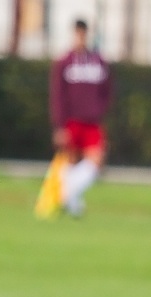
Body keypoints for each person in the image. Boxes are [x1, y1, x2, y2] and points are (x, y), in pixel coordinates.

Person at [49, 18, 111, 218]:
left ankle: (67, 194)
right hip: (72, 121)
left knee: (96, 161)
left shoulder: (99, 62)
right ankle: (73, 205)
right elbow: (57, 95)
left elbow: (107, 91)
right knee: (71, 162)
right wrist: (59, 125)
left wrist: (100, 110)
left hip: (92, 121)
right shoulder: (64, 63)